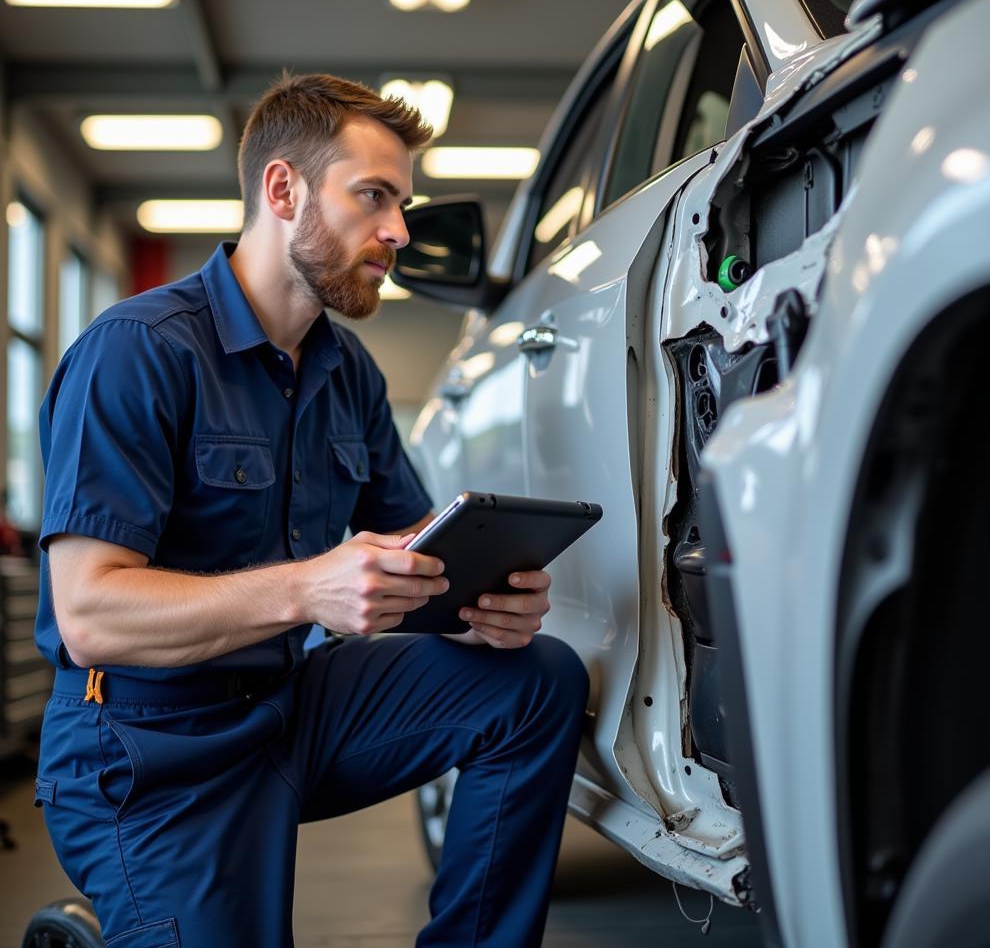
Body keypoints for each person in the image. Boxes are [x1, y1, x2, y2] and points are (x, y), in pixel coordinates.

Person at [33, 73, 589, 947]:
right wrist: (306, 591)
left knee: (537, 681)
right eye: (373, 196)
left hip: (288, 710)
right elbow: (91, 616)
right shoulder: (136, 353)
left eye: (402, 203)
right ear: (283, 190)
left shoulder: (347, 370)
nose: (399, 231)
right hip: (146, 749)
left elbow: (412, 544)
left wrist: (478, 604)